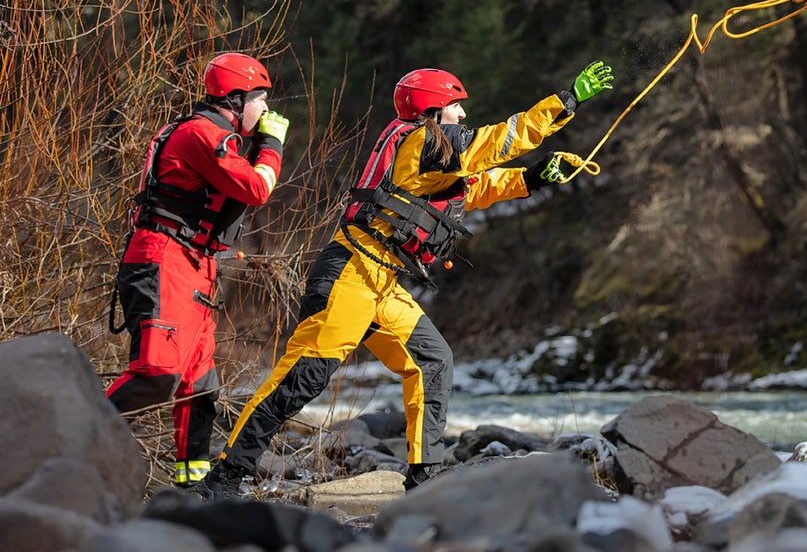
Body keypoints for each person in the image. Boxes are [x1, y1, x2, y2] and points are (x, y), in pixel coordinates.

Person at [200, 60, 613, 497]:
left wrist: (534, 177)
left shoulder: (426, 151)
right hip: (350, 275)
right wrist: (567, 101)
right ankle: (224, 477)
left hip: (380, 282)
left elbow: (470, 189)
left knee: (433, 360)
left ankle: (424, 476)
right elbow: (501, 140)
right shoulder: (420, 140)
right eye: (457, 107)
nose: (464, 116)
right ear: (434, 111)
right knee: (303, 378)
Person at [105, 52, 291, 489]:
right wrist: (273, 144)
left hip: (193, 266)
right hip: (164, 260)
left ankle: (195, 489)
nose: (266, 110)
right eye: (260, 100)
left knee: (200, 384)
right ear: (237, 97)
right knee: (158, 372)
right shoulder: (202, 134)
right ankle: (62, 446)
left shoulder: (211, 134)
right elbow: (257, 187)